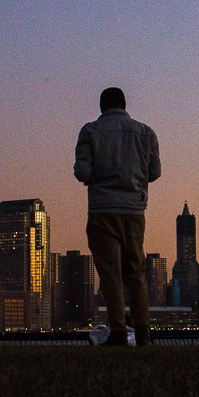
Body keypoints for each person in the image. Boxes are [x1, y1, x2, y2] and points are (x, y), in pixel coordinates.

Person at [74, 87, 161, 346]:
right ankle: (144, 333)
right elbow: (154, 172)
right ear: (124, 105)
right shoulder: (146, 132)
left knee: (110, 274)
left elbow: (83, 173)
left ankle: (119, 331)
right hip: (134, 211)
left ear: (102, 107)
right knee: (136, 271)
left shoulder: (90, 131)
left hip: (102, 210)